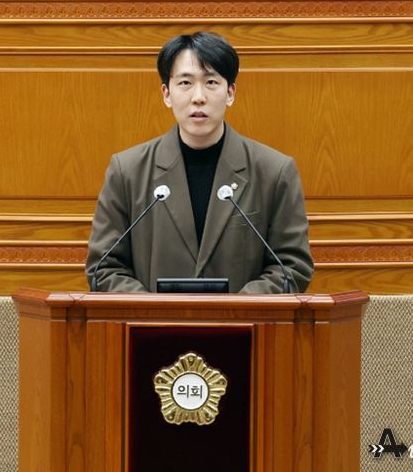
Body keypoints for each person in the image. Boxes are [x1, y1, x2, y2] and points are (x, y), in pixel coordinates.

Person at [86, 32, 314, 293]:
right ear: (166, 94)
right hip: (151, 321)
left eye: (211, 82)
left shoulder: (274, 171)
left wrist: (236, 309)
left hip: (242, 320)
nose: (198, 97)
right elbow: (103, 268)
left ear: (230, 93)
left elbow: (292, 267)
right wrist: (153, 310)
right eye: (185, 82)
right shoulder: (127, 171)